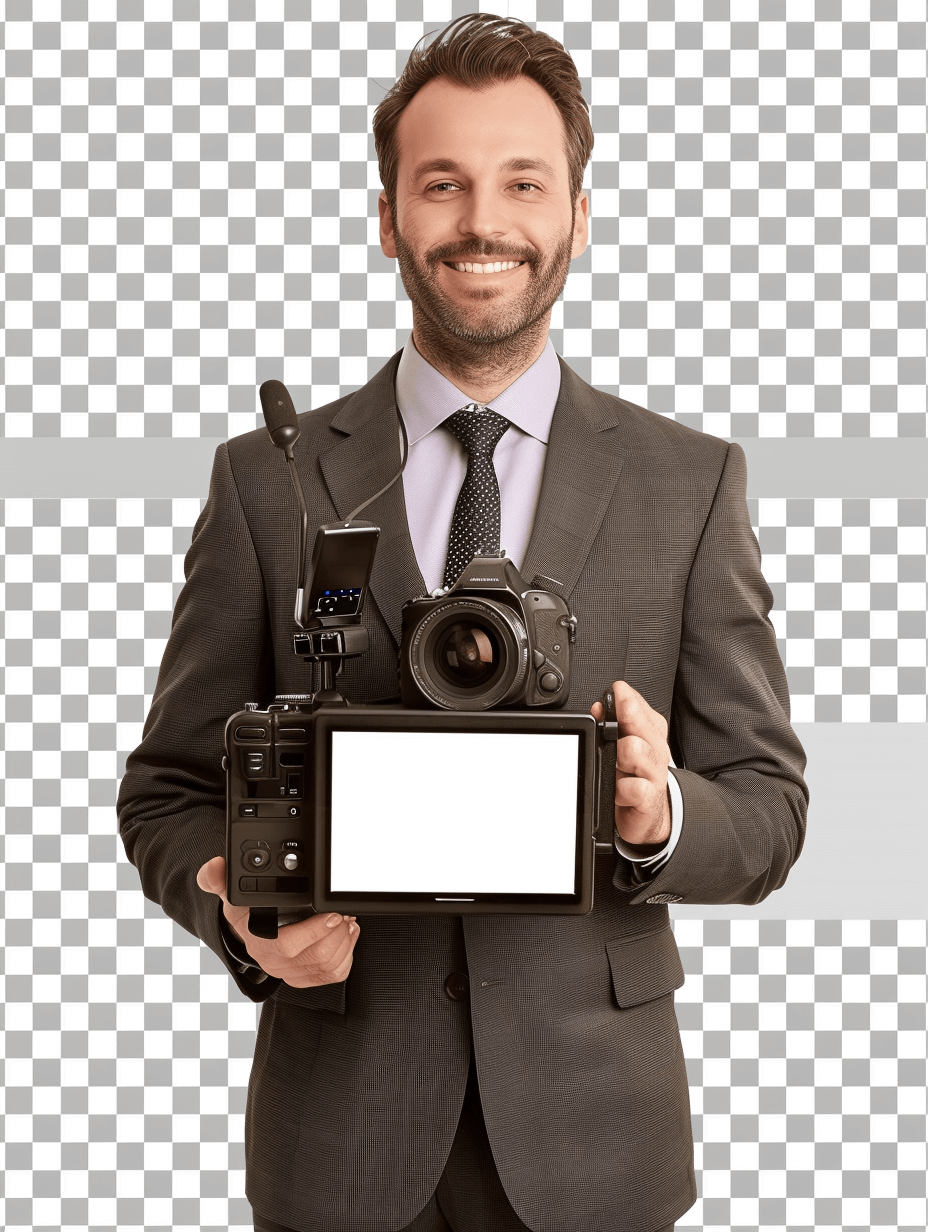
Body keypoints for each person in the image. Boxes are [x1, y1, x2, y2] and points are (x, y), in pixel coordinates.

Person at [118, 15, 808, 1232]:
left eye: (522, 182)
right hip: (339, 1136)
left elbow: (766, 806)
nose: (482, 221)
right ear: (390, 216)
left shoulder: (688, 481)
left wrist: (664, 817)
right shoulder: (265, 477)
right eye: (442, 184)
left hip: (599, 1139)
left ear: (576, 218)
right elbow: (168, 791)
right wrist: (242, 914)